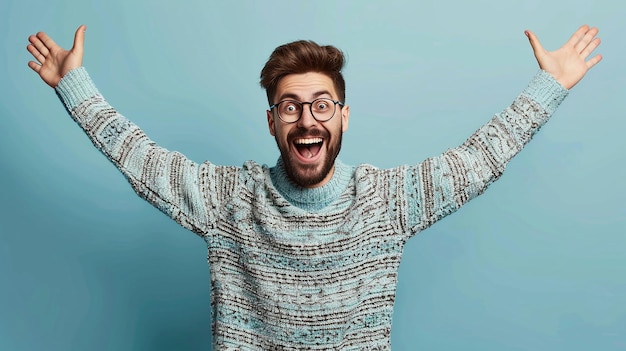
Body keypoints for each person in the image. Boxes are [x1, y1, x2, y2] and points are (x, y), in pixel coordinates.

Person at [26, 24, 601, 350]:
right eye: (291, 106)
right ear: (272, 121)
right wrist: (72, 85)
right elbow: (143, 160)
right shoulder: (231, 200)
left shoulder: (386, 201)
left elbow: (478, 160)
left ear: (344, 118)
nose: (308, 119)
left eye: (322, 105)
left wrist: (548, 87)